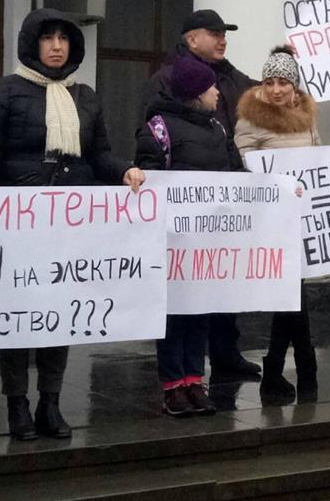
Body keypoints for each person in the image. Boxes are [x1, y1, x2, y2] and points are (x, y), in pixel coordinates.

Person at [0, 8, 146, 440]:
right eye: (47, 38)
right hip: (19, 222)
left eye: (64, 38)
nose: (57, 46)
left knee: (59, 312)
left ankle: (49, 403)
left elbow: (99, 153)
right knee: (17, 313)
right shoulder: (5, 91)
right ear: (31, 43)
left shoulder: (85, 96)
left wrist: (124, 170)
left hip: (69, 223)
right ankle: (17, 404)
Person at [140, 8, 259, 376]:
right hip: (183, 220)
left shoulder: (230, 77)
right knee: (183, 305)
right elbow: (152, 138)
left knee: (219, 288)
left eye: (225, 33)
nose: (223, 40)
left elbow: (262, 95)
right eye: (215, 33)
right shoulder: (165, 79)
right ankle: (178, 376)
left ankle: (224, 354)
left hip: (218, 210)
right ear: (192, 39)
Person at [136, 57, 244, 415]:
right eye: (211, 87)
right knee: (173, 315)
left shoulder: (218, 128)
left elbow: (236, 174)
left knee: (200, 310)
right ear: (196, 93)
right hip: (173, 241)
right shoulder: (158, 129)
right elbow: (150, 179)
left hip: (209, 241)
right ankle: (172, 386)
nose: (217, 92)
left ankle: (194, 380)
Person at [234, 46, 321, 401]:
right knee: (291, 293)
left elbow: (318, 159)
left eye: (283, 82)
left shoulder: (308, 117)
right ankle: (304, 367)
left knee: (292, 294)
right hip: (270, 218)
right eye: (269, 82)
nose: (275, 89)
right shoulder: (250, 120)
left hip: (301, 216)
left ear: (294, 85)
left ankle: (276, 370)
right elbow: (244, 164)